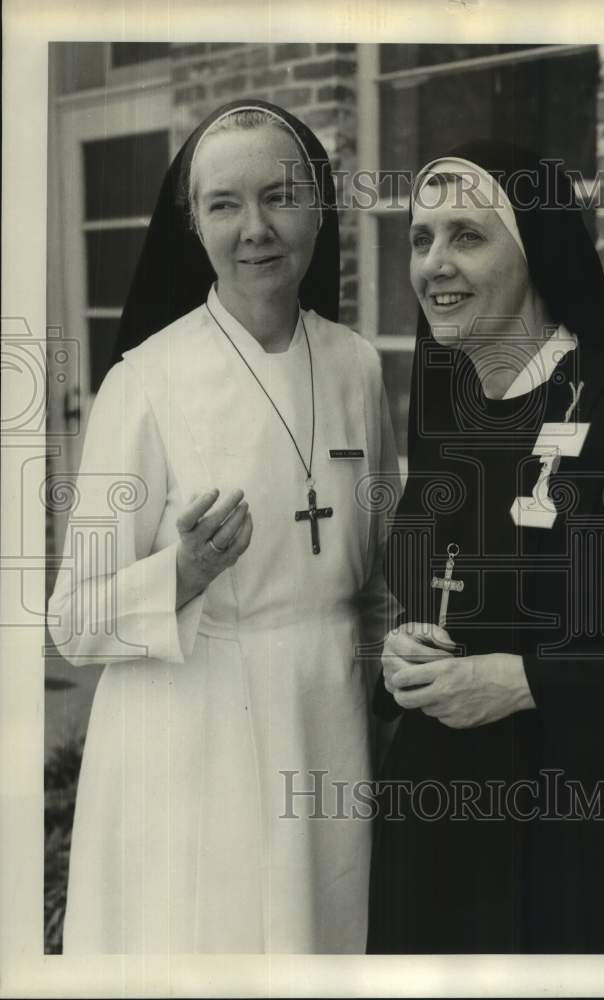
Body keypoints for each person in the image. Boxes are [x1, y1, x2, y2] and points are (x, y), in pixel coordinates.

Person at [366, 141, 604, 954]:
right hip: (436, 833)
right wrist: (401, 648)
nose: (435, 262)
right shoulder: (444, 404)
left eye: (467, 235)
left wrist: (529, 683)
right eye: (421, 236)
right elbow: (434, 584)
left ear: (535, 245)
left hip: (586, 841)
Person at [47, 99, 398, 954]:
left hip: (329, 719)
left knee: (325, 934)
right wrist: (182, 572)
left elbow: (384, 567)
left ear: (318, 206)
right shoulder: (146, 381)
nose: (256, 230)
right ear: (193, 225)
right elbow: (70, 623)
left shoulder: (357, 365)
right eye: (224, 205)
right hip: (196, 730)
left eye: (281, 196)